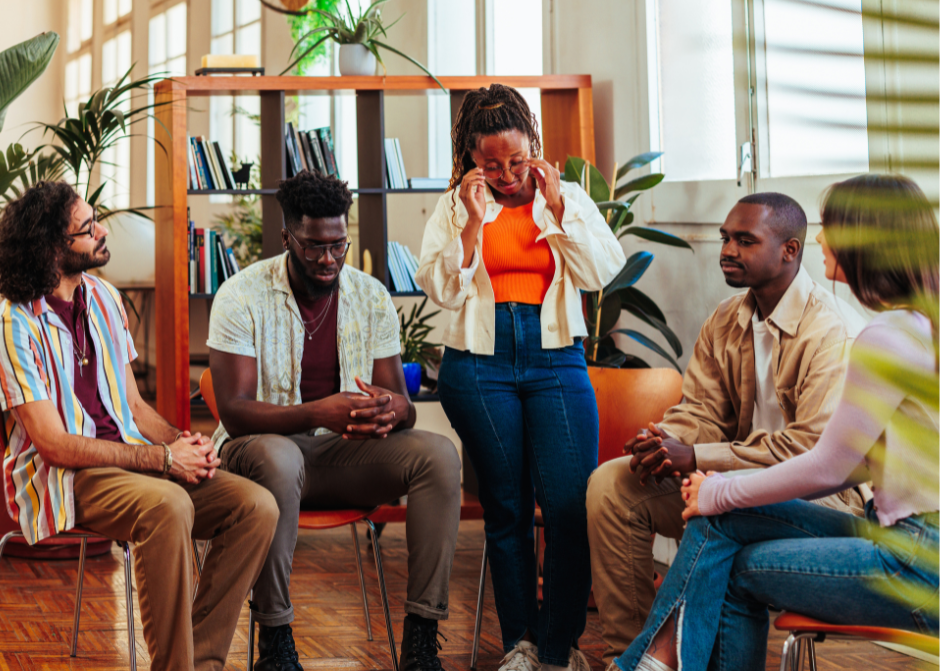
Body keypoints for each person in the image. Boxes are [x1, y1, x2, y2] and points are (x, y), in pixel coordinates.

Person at [616, 173, 939, 671]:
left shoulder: (884, 336)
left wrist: (718, 489)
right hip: (903, 540)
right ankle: (651, 665)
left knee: (735, 562)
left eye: (831, 227)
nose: (822, 239)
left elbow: (829, 469)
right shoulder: (920, 326)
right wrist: (718, 489)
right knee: (721, 529)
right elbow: (854, 464)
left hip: (915, 562)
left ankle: (646, 664)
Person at [0, 181, 278, 671]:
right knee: (168, 505)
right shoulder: (14, 321)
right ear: (50, 249)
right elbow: (53, 444)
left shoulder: (104, 297)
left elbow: (133, 404)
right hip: (67, 475)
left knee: (256, 505)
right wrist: (162, 459)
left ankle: (200, 659)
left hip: (133, 458)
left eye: (95, 220)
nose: (102, 232)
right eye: (86, 230)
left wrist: (181, 441)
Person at [585, 191, 870, 667]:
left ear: (790, 251)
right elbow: (700, 410)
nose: (727, 250)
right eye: (724, 238)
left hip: (813, 502)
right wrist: (665, 440)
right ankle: (629, 651)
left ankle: (647, 662)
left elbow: (810, 451)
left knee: (717, 510)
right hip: (726, 483)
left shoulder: (832, 332)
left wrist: (698, 459)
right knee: (613, 485)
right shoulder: (724, 319)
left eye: (745, 240)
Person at [207, 169, 462, 671]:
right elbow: (235, 413)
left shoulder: (369, 295)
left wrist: (392, 410)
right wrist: (318, 411)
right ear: (287, 238)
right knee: (279, 456)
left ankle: (421, 637)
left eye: (339, 245)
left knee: (438, 455)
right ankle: (275, 639)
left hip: (340, 456)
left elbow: (401, 400)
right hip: (258, 455)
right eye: (313, 246)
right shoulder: (241, 295)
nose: (328, 259)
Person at [416, 83, 626, 671]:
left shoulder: (567, 196)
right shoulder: (458, 204)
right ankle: (520, 646)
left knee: (566, 505)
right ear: (469, 158)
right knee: (508, 506)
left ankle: (561, 648)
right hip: (478, 366)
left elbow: (601, 270)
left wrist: (559, 213)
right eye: (490, 164)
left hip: (554, 356)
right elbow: (440, 288)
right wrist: (471, 226)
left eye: (515, 160)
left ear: (534, 144)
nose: (506, 174)